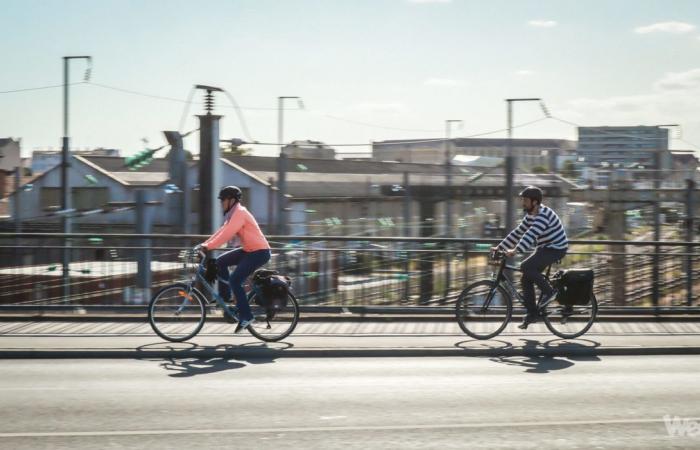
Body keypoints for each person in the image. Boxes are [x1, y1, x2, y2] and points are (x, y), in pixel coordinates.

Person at [199, 186, 272, 333]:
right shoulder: (233, 213)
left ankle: (247, 316)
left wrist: (208, 247)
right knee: (219, 262)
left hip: (259, 252)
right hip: (249, 250)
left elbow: (227, 235)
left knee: (234, 280)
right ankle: (226, 297)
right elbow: (222, 231)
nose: (221, 204)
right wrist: (205, 244)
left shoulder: (239, 213)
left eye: (223, 201)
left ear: (231, 200)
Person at [495, 186, 568, 329]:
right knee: (525, 277)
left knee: (526, 266)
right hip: (545, 248)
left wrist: (515, 250)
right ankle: (532, 313)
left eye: (525, 200)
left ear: (534, 202)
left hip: (556, 248)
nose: (523, 202)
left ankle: (550, 292)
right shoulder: (531, 215)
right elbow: (518, 232)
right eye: (523, 199)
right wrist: (500, 247)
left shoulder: (543, 215)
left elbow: (531, 234)